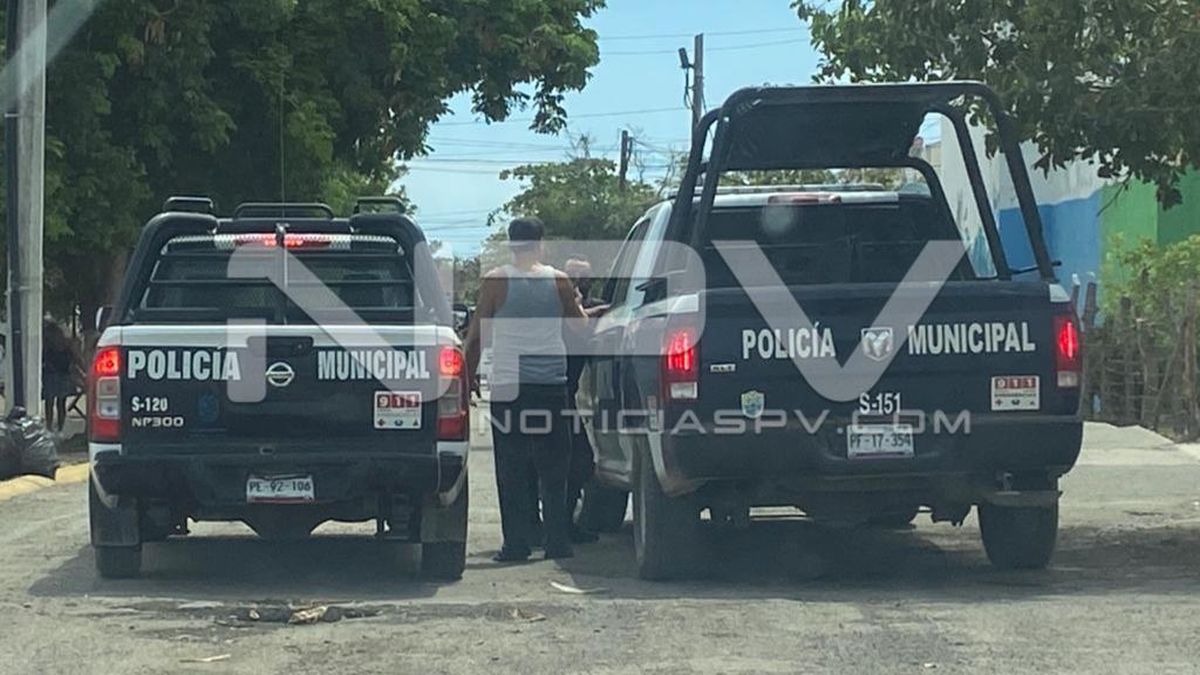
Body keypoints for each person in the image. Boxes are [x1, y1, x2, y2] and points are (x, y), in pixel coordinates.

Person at [465, 218, 591, 562]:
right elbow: (580, 329)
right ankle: (557, 542)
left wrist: (467, 376)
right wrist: (581, 306)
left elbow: (476, 335)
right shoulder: (559, 281)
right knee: (555, 467)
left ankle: (516, 545)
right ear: (541, 245)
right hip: (550, 386)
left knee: (512, 468)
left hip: (509, 387)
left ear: (511, 245)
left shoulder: (496, 281)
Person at [563, 256, 603, 543]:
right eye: (574, 279)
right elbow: (576, 321)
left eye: (585, 278)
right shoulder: (558, 307)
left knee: (578, 462)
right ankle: (559, 526)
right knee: (577, 460)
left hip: (567, 396)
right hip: (556, 395)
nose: (581, 284)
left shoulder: (590, 307)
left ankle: (562, 524)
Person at [42, 320, 81, 433]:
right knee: (59, 402)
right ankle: (59, 427)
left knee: (52, 401)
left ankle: (51, 426)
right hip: (60, 374)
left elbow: (75, 359)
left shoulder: (49, 345)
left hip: (55, 374)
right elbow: (76, 359)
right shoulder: (64, 344)